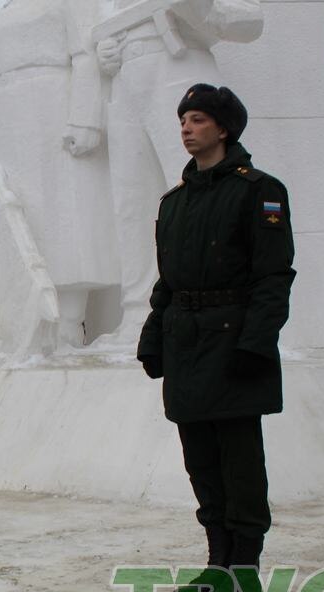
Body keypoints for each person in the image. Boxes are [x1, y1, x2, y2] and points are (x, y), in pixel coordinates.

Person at [137, 84, 295, 592]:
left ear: (223, 129)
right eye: (183, 118)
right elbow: (167, 283)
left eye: (199, 119)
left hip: (233, 344)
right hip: (186, 343)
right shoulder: (174, 203)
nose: (186, 127)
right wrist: (153, 335)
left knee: (240, 463)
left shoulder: (259, 192)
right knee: (201, 461)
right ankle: (216, 564)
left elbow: (273, 277)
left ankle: (244, 569)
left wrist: (256, 343)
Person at [0, 0, 118, 369]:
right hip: (12, 117)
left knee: (64, 217)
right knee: (20, 219)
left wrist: (85, 118)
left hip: (54, 106)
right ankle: (21, 320)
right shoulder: (9, 10)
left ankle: (68, 324)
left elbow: (86, 54)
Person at [93, 0, 264, 346]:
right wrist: (106, 51)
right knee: (131, 202)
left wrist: (199, 9)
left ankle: (204, 311)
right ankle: (137, 313)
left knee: (198, 192)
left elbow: (250, 19)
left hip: (178, 65)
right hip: (125, 79)